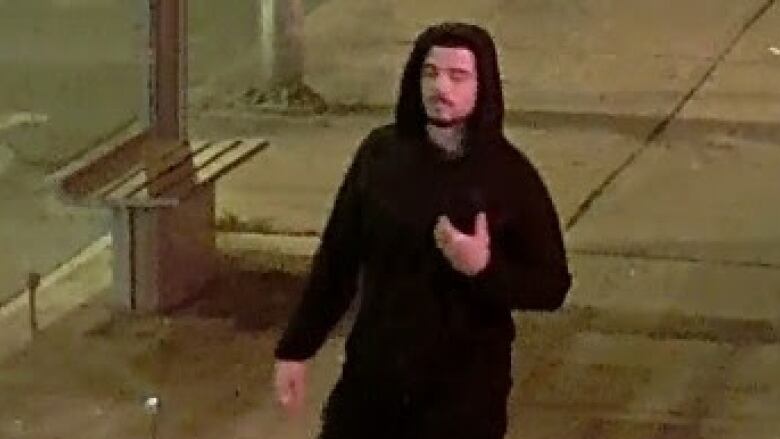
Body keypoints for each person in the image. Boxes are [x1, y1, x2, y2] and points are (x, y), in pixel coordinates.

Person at [273, 22, 572, 439]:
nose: (440, 87)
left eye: (457, 76)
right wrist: (297, 348)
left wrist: (484, 269)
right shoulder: (380, 157)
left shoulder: (508, 176)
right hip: (375, 382)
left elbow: (551, 285)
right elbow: (337, 259)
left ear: (482, 87)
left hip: (461, 398)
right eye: (430, 73)